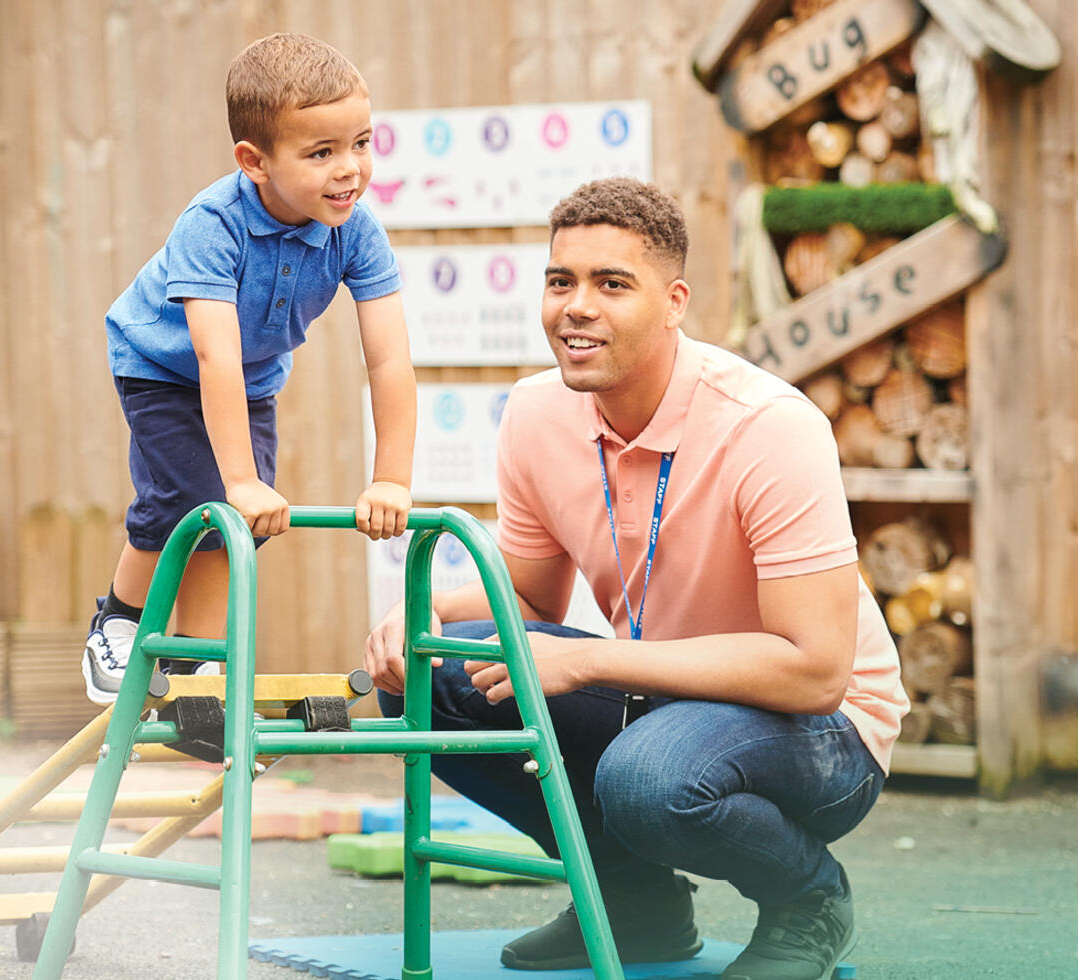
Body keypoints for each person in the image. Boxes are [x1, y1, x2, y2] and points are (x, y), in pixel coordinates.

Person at [364, 177, 909, 980]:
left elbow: (815, 670)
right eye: (561, 282)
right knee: (430, 679)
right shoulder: (536, 412)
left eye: (611, 284)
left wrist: (585, 660)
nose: (576, 306)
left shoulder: (769, 426)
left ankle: (808, 900)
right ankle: (634, 905)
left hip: (826, 734)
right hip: (661, 695)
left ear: (674, 302)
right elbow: (530, 599)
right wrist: (421, 615)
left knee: (646, 777)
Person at [84, 33, 416, 704]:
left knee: (234, 524)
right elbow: (213, 354)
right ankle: (114, 624)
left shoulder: (356, 230)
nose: (349, 169)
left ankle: (196, 663)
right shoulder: (215, 224)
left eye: (360, 143)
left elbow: (387, 357)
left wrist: (390, 479)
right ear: (254, 161)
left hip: (253, 378)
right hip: (161, 364)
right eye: (321, 153)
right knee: (192, 496)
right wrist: (238, 478)